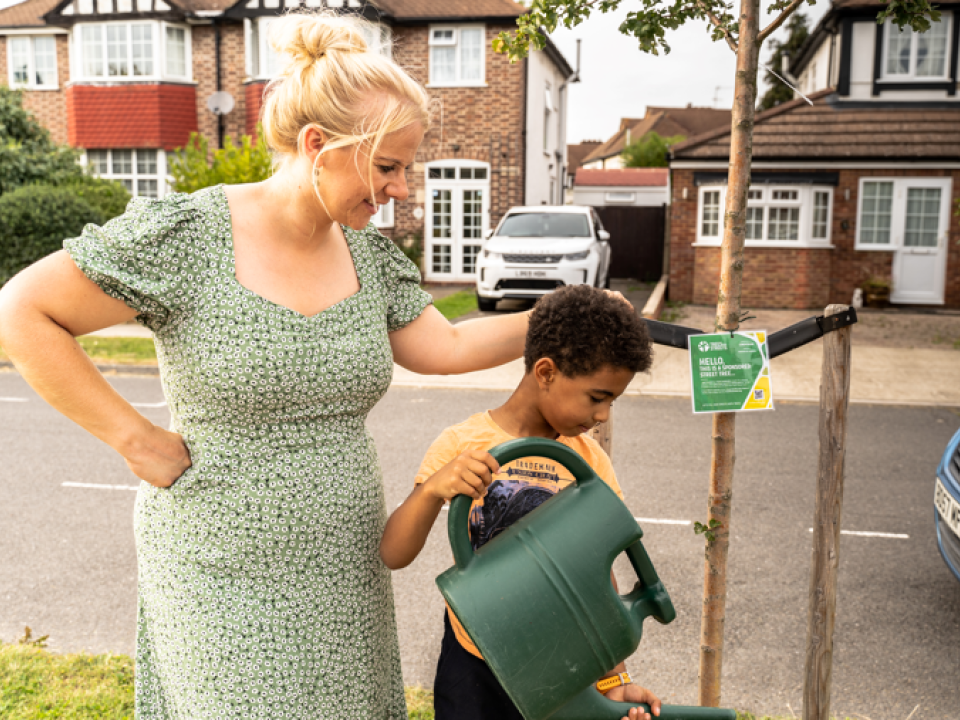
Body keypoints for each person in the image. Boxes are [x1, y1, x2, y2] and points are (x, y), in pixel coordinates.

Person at [0, 12, 573, 719]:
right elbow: (21, 312)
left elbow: (447, 348)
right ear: (318, 146)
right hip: (215, 564)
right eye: (387, 166)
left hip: (343, 564)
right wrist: (134, 439)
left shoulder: (369, 258)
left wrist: (566, 317)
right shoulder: (188, 237)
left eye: (407, 167)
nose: (402, 188)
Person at [380, 285, 661, 720]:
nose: (603, 415)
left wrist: (612, 680)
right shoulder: (463, 443)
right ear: (546, 372)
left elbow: (596, 576)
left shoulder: (589, 464)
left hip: (563, 663)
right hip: (473, 659)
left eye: (612, 401)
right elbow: (394, 553)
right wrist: (435, 487)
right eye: (597, 397)